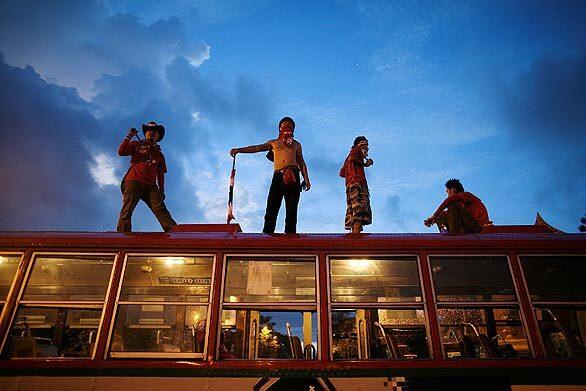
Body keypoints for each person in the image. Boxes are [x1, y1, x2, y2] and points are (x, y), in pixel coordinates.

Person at [230, 117, 310, 233]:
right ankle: (267, 236)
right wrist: (239, 150)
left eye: (290, 124)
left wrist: (306, 178)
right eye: (285, 124)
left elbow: (301, 161)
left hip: (293, 176)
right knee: (272, 208)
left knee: (291, 210)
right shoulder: (274, 143)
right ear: (280, 128)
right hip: (278, 176)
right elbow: (257, 148)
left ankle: (290, 238)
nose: (288, 125)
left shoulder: (297, 145)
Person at [116, 121, 177, 232]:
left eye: (155, 131)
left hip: (151, 186)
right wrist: (129, 136)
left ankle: (175, 234)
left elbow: (161, 173)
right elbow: (121, 152)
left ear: (158, 136)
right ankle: (122, 236)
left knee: (160, 209)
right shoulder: (137, 144)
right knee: (127, 209)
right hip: (134, 180)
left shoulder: (159, 155)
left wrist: (162, 191)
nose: (152, 133)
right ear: (145, 134)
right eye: (149, 131)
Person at [424, 178, 492, 234]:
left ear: (453, 190)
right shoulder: (461, 206)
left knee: (452, 205)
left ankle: (455, 232)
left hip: (478, 227)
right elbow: (447, 213)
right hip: (468, 225)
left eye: (447, 191)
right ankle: (446, 232)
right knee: (441, 215)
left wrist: (433, 216)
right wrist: (434, 220)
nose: (447, 194)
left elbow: (450, 200)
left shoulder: (466, 195)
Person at [340, 136, 373, 233]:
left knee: (353, 212)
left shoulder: (349, 157)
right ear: (360, 144)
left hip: (350, 186)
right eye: (365, 145)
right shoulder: (357, 150)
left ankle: (355, 233)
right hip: (358, 184)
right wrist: (365, 164)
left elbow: (342, 173)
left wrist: (350, 172)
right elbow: (352, 159)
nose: (367, 148)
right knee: (360, 211)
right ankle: (357, 236)